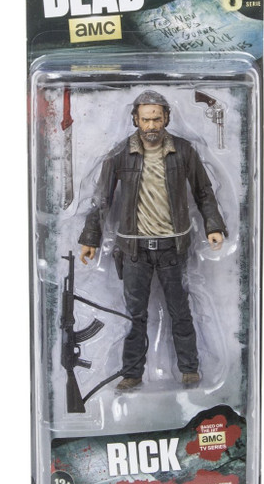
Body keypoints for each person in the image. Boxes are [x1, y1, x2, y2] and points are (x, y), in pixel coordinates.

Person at [78, 90, 227, 390]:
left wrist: (213, 225)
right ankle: (132, 373)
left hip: (173, 247)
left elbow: (203, 191)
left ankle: (189, 369)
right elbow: (102, 199)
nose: (151, 126)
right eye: (145, 119)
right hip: (134, 250)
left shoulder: (183, 151)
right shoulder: (120, 154)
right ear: (135, 119)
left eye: (156, 119)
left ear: (166, 118)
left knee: (180, 311)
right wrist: (91, 237)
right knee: (135, 316)